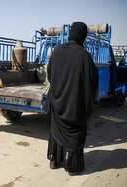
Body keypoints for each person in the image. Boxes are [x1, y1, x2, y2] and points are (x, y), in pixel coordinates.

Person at [46, 22, 99, 176]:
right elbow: (93, 79)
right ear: (82, 35)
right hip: (75, 103)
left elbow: (50, 74)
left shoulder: (57, 51)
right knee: (75, 133)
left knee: (56, 129)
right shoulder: (84, 55)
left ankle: (54, 160)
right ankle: (73, 167)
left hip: (58, 99)